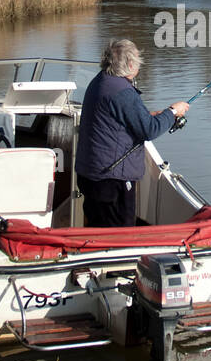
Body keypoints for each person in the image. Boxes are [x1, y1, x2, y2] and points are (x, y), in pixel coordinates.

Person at [75, 39, 189, 227]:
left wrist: (153, 115)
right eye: (137, 60)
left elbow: (117, 119)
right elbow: (149, 129)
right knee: (118, 237)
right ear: (129, 65)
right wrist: (173, 112)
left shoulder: (101, 81)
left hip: (93, 175)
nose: (140, 64)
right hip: (111, 181)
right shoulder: (122, 91)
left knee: (97, 230)